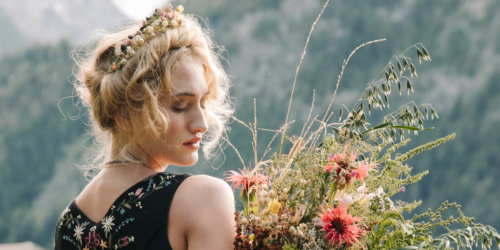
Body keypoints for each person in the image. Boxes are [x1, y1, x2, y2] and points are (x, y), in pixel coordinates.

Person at [54, 5, 236, 249]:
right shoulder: (203, 198)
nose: (201, 124)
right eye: (180, 106)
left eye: (203, 103)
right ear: (125, 115)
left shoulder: (67, 224)